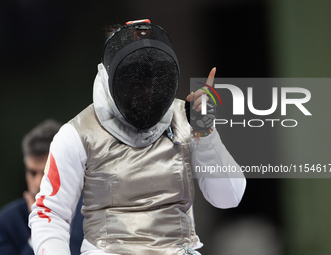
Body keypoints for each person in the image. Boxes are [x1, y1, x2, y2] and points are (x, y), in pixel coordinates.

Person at [29, 19, 246, 255]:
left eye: (152, 77)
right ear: (110, 74)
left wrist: (206, 131)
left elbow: (229, 197)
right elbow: (50, 213)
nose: (145, 89)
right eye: (135, 79)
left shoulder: (186, 119)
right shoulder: (78, 134)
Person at [0, 120, 84, 255]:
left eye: (46, 173)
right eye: (32, 173)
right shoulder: (6, 222)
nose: (39, 183)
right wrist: (40, 231)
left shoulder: (92, 213)